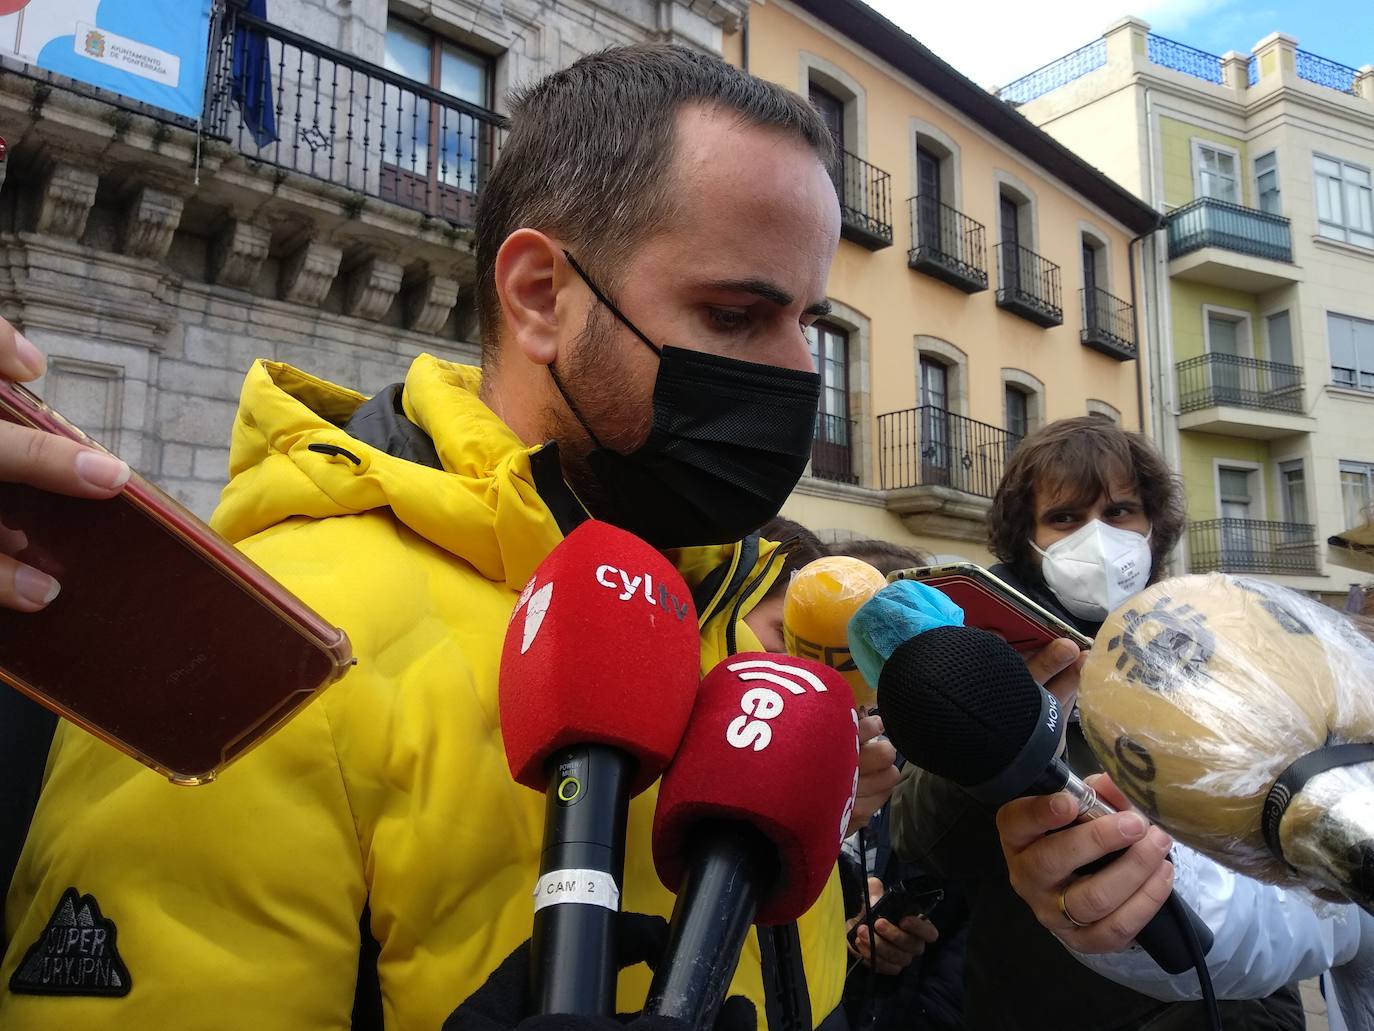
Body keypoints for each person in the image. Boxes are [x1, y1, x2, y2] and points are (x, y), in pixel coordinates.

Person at [0, 45, 857, 1030]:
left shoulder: (747, 640)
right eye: (738, 313)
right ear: (539, 293)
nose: (800, 371)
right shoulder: (266, 649)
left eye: (811, 322)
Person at [889, 416, 1309, 1030]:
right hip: (1049, 1000)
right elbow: (917, 835)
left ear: (1152, 527)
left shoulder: (1221, 644)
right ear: (1028, 540)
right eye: (1065, 518)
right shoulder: (991, 652)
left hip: (1237, 999)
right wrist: (1008, 732)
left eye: (1119, 512)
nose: (1099, 536)